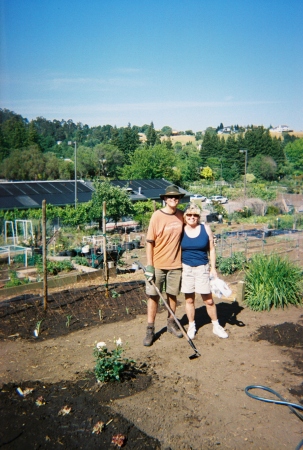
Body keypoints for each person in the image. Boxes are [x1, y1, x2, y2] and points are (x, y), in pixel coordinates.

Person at [143, 185, 185, 347]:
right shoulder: (156, 216)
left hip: (176, 264)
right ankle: (150, 329)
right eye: (170, 197)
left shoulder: (182, 216)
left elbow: (195, 227)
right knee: (153, 296)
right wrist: (150, 266)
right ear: (165, 199)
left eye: (176, 197)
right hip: (158, 264)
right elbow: (149, 243)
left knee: (172, 295)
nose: (173, 200)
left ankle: (171, 323)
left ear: (179, 199)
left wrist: (210, 238)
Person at [180, 204, 228, 340]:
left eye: (195, 215)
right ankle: (191, 325)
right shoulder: (181, 230)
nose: (192, 217)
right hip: (186, 268)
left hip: (202, 268)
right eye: (189, 215)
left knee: (209, 301)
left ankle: (216, 325)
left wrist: (213, 268)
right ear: (185, 217)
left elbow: (211, 249)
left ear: (198, 217)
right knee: (189, 300)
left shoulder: (205, 228)